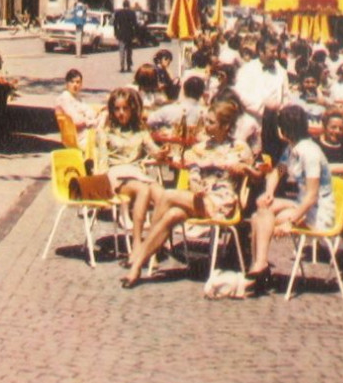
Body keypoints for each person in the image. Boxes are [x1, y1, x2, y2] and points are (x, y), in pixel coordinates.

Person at [121, 98, 254, 288]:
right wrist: (196, 185)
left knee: (168, 196)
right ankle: (138, 267)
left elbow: (254, 174)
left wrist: (243, 170)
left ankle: (140, 254)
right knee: (173, 214)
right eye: (206, 121)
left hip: (222, 203)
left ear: (225, 126)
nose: (205, 126)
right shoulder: (200, 148)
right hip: (200, 199)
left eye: (211, 122)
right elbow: (193, 175)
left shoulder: (240, 148)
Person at [247, 104, 337, 291]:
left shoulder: (309, 153)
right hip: (302, 204)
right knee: (262, 206)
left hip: (317, 212)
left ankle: (259, 267)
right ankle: (260, 265)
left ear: (284, 129)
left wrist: (291, 222)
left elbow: (312, 196)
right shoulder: (292, 148)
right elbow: (277, 172)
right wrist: (270, 191)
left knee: (262, 218)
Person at [93, 88, 163, 261]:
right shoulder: (106, 132)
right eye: (117, 109)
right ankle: (137, 246)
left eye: (125, 108)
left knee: (162, 194)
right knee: (143, 190)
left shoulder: (140, 131)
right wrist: (101, 189)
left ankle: (154, 243)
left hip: (137, 172)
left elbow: (155, 152)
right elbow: (101, 162)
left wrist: (163, 153)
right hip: (117, 174)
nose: (121, 113)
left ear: (132, 109)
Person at [55, 69, 101, 134]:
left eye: (78, 82)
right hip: (76, 135)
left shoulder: (76, 97)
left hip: (83, 130)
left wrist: (89, 116)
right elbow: (76, 120)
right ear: (67, 83)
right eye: (72, 82)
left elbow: (89, 110)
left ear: (81, 84)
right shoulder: (64, 98)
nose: (75, 85)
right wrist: (89, 121)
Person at [114, 0, 139, 74]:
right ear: (128, 5)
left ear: (123, 5)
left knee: (121, 51)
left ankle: (122, 67)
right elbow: (135, 25)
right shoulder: (132, 13)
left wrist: (116, 33)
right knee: (129, 51)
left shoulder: (118, 13)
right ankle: (128, 66)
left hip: (121, 35)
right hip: (129, 35)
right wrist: (135, 35)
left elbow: (115, 24)